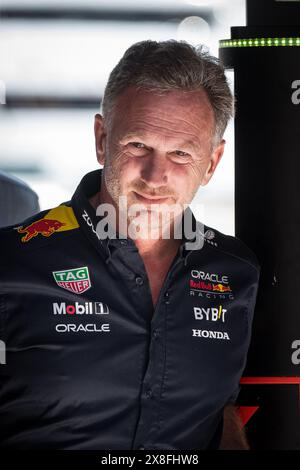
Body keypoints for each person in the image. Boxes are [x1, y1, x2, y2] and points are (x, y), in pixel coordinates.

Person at [0, 40, 260, 450]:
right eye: (138, 145)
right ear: (103, 139)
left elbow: (222, 414)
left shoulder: (238, 273)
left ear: (211, 163)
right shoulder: (13, 263)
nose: (156, 175)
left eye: (180, 153)